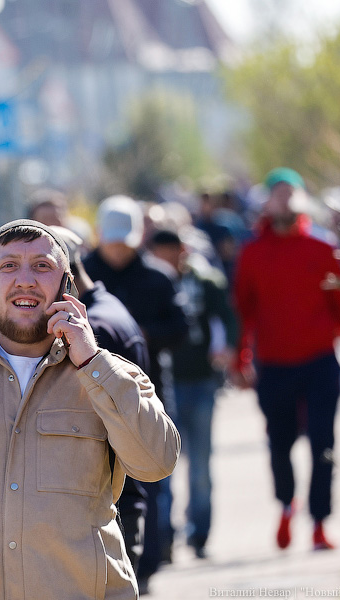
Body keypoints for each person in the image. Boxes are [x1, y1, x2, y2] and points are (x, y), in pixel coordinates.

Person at [0, 219, 180, 600]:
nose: (25, 280)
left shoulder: (109, 374)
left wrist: (92, 362)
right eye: (8, 266)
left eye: (42, 266)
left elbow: (157, 462)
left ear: (67, 287)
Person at [232, 168, 340, 551]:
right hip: (275, 364)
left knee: (323, 442)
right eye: (278, 194)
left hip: (320, 361)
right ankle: (286, 504)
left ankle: (320, 523)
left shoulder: (322, 248)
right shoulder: (253, 253)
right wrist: (240, 359)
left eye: (291, 193)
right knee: (280, 443)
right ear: (267, 203)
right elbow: (243, 311)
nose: (285, 201)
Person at [83, 195, 188, 582]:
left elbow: (181, 328)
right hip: (90, 399)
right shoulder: (83, 276)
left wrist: (144, 334)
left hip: (148, 393)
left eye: (124, 243)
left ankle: (149, 559)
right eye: (112, 242)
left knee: (152, 474)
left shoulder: (158, 277)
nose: (118, 250)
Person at [50, 225, 156, 595]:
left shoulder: (92, 329)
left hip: (108, 509)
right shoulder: (105, 310)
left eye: (39, 268)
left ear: (63, 274)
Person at [148, 229, 238, 559]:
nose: (166, 259)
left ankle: (200, 533)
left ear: (182, 250)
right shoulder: (152, 283)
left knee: (200, 464)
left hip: (201, 380)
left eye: (171, 252)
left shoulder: (206, 281)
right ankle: (164, 536)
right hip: (162, 385)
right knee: (161, 464)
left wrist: (228, 348)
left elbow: (228, 317)